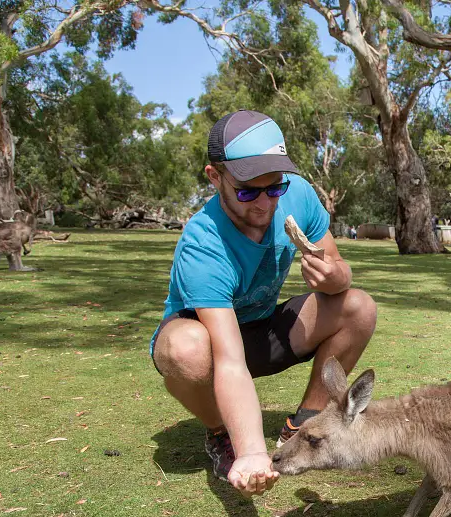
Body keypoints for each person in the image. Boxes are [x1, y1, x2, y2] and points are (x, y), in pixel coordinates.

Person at [150, 110, 377, 497]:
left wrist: (334, 276)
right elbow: (229, 361)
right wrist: (253, 452)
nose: (264, 203)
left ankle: (306, 421)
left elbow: (338, 266)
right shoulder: (204, 243)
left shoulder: (297, 194)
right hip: (209, 342)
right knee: (184, 349)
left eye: (273, 187)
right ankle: (221, 432)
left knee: (358, 307)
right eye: (247, 191)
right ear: (214, 176)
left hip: (263, 327)